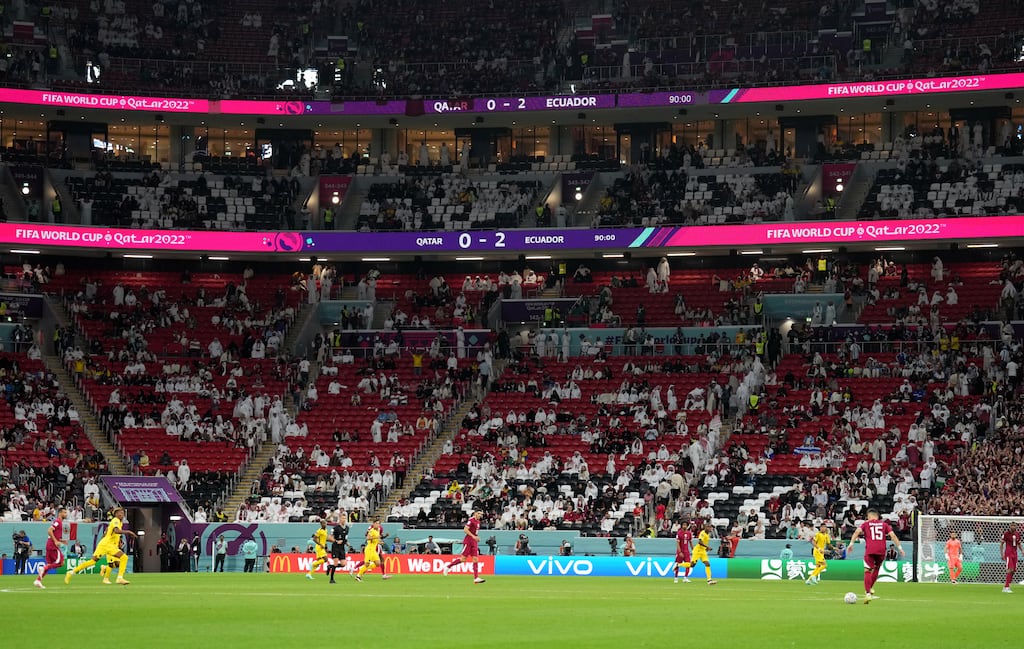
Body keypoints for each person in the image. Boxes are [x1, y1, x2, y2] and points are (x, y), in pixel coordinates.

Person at [66, 507, 136, 585]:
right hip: (107, 545)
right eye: (119, 513)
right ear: (115, 514)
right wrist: (129, 532)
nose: (121, 514)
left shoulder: (119, 523)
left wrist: (118, 541)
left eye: (122, 513)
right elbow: (116, 531)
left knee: (114, 563)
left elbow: (109, 533)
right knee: (123, 558)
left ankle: (71, 572)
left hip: (106, 545)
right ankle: (118, 578)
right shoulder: (115, 520)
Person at [847, 509, 904, 602]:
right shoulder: (884, 524)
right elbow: (893, 536)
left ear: (869, 516)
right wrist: (900, 548)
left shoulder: (866, 524)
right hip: (881, 550)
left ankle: (868, 593)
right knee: (877, 568)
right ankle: (870, 588)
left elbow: (857, 532)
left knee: (867, 570)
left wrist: (851, 544)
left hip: (870, 550)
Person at [443, 510, 486, 583]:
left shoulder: (478, 522)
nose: (480, 515)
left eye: (481, 514)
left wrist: (476, 537)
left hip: (474, 542)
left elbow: (474, 532)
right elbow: (465, 530)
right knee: (463, 559)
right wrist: (473, 536)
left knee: (475, 559)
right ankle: (448, 567)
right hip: (468, 541)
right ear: (475, 513)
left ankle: (476, 578)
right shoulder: (471, 520)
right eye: (479, 513)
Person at [35, 508, 67, 588]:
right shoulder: (57, 522)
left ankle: (38, 580)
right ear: (60, 513)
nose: (66, 514)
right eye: (64, 512)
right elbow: (49, 530)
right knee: (61, 562)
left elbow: (54, 534)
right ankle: (43, 568)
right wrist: (56, 541)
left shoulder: (59, 523)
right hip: (53, 546)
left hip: (49, 545)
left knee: (50, 565)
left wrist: (62, 541)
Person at [326, 516, 350, 584]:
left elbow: (345, 538)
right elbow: (329, 537)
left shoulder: (347, 528)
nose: (344, 520)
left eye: (345, 518)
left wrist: (347, 543)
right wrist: (336, 541)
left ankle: (330, 566)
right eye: (342, 518)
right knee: (336, 563)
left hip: (342, 548)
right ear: (340, 519)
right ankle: (331, 579)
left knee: (343, 564)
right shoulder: (335, 528)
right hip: (335, 547)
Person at [1001, 522, 1022, 593]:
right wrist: (1002, 554)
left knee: (1014, 570)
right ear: (1010, 526)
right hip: (1008, 553)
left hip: (1015, 553)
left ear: (1016, 526)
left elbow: (1019, 543)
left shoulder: (1018, 534)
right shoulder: (1006, 534)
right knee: (1010, 569)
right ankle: (1006, 587)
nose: (1013, 527)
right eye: (1012, 525)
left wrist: (1022, 551)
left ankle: (1007, 585)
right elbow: (1001, 544)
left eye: (1014, 525)